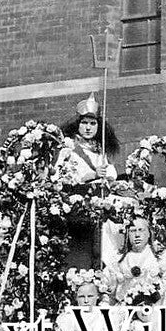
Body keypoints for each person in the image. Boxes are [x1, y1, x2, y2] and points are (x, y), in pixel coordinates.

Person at [58, 93, 123, 266]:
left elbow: (111, 173)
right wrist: (92, 175)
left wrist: (108, 176)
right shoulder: (69, 148)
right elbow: (64, 176)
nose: (88, 128)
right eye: (84, 123)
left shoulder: (101, 149)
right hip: (80, 203)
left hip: (102, 200)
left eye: (93, 123)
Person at [108, 216, 162, 305]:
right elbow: (110, 289)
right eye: (133, 231)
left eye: (141, 230)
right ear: (127, 234)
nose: (137, 235)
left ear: (149, 233)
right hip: (124, 307)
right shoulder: (119, 259)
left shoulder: (158, 258)